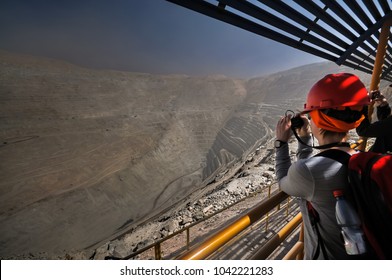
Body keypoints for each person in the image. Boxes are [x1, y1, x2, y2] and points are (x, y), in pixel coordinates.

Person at [274, 73, 370, 259]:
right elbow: (312, 166)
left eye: (311, 114)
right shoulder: (363, 159)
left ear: (319, 118)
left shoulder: (308, 172)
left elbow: (283, 180)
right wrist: (304, 139)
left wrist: (281, 142)